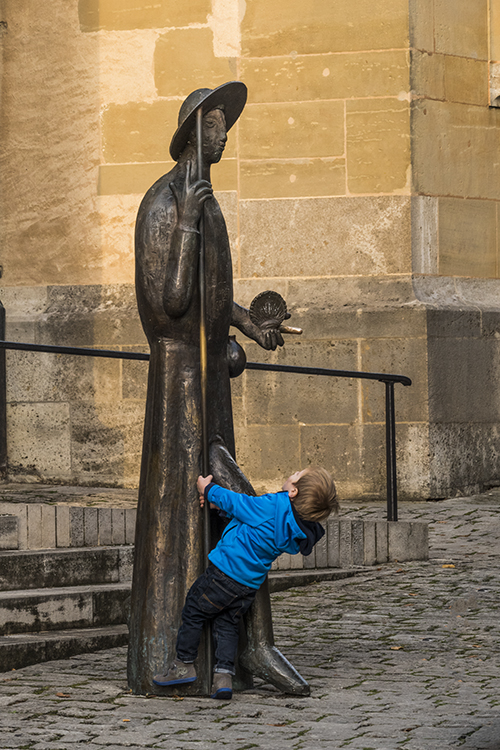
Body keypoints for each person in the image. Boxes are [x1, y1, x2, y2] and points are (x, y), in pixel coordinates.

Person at [129, 81, 310, 697]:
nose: (225, 132)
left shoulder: (207, 205)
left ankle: (244, 649)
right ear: (192, 132)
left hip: (210, 383)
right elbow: (170, 303)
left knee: (236, 502)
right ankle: (194, 652)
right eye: (216, 124)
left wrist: (247, 325)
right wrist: (183, 224)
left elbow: (210, 296)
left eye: (226, 123)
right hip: (179, 383)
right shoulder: (165, 205)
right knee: (209, 503)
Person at [152, 466, 338, 699]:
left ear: (293, 491)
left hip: (224, 572)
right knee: (227, 623)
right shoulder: (293, 528)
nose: (294, 472)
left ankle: (183, 664)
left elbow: (240, 504)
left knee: (193, 609)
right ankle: (223, 677)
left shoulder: (273, 506)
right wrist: (219, 510)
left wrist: (208, 490)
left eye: (298, 474)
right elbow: (251, 524)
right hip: (248, 585)